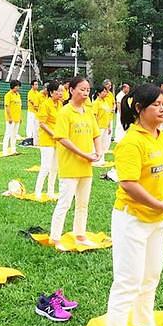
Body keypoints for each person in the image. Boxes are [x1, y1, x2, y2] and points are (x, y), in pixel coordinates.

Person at [104, 83, 163, 326]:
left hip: (157, 218)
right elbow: (128, 184)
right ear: (139, 109)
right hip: (132, 218)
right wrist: (160, 203)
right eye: (157, 105)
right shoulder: (130, 141)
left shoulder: (162, 137)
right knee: (129, 279)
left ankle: (145, 323)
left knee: (152, 273)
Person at [50, 76, 100, 245]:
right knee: (64, 203)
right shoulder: (65, 112)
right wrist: (84, 154)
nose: (85, 93)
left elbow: (96, 133)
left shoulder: (88, 111)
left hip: (86, 166)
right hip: (70, 165)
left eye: (87, 90)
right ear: (71, 90)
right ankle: (55, 237)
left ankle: (80, 234)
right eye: (82, 89)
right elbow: (62, 138)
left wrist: (98, 152)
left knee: (83, 203)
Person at [32, 81, 63, 200]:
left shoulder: (60, 105)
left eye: (61, 91)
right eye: (58, 91)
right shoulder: (45, 104)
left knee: (55, 167)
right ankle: (38, 192)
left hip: (57, 139)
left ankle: (51, 191)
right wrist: (53, 134)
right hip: (47, 139)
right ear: (51, 92)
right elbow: (42, 124)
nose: (61, 93)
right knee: (46, 166)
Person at [94, 82, 115, 164]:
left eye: (105, 91)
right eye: (103, 91)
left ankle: (101, 159)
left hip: (106, 126)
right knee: (98, 144)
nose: (105, 93)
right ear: (99, 93)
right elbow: (94, 116)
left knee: (104, 144)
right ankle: (96, 160)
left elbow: (108, 114)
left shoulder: (105, 102)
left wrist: (109, 126)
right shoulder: (96, 103)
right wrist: (95, 127)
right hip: (99, 126)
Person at [2, 80, 22, 155]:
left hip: (17, 118)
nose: (18, 88)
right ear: (13, 86)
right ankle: (5, 151)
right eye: (17, 86)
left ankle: (13, 150)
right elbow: (7, 106)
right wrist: (10, 117)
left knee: (14, 135)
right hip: (11, 118)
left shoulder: (18, 95)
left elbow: (19, 107)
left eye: (19, 86)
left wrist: (20, 117)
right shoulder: (8, 95)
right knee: (8, 134)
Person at [25, 79, 41, 145]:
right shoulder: (30, 92)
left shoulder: (38, 93)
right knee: (30, 123)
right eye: (35, 84)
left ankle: (34, 136)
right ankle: (29, 136)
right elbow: (31, 101)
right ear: (32, 85)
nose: (37, 86)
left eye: (37, 84)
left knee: (35, 124)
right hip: (31, 110)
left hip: (36, 111)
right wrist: (35, 105)